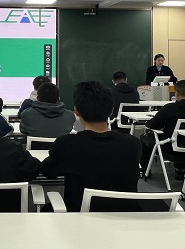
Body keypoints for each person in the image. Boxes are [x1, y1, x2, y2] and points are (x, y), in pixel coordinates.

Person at [41, 81, 141, 212]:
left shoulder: (66, 144)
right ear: (111, 111)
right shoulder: (133, 144)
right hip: (125, 217)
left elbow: (48, 171)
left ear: (76, 112)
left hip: (80, 218)